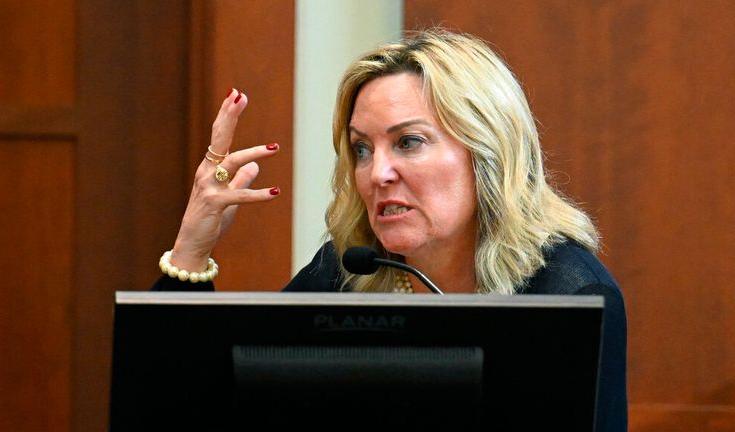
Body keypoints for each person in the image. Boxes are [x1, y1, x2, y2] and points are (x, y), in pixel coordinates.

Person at [152, 29, 627, 431]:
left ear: (488, 153)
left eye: (408, 142)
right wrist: (191, 249)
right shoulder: (347, 271)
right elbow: (187, 409)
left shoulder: (570, 294)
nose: (377, 173)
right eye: (362, 149)